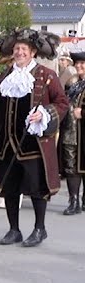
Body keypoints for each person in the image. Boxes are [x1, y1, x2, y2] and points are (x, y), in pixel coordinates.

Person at [0, 28, 70, 247]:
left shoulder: (46, 76)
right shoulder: (5, 76)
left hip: (33, 143)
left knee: (37, 188)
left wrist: (45, 114)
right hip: (6, 142)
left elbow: (62, 102)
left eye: (23, 49)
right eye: (16, 48)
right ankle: (14, 230)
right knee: (10, 187)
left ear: (33, 52)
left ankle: (40, 229)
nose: (19, 52)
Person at [59, 51, 85, 215]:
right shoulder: (74, 85)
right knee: (70, 168)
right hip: (70, 132)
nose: (79, 66)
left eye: (83, 63)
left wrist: (82, 113)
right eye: (77, 63)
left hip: (83, 133)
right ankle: (73, 201)